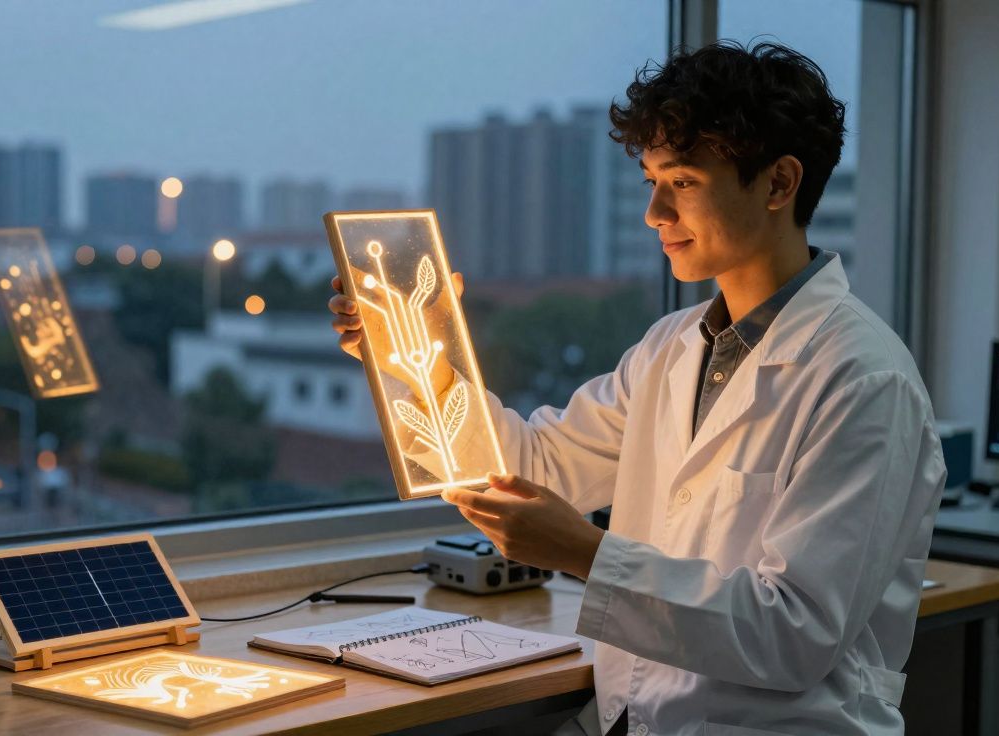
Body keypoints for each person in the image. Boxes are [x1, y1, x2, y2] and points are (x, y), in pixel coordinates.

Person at [329, 41, 945, 735]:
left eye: (681, 181)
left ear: (778, 184)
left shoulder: (863, 379)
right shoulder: (672, 348)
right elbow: (538, 467)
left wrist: (583, 553)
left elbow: (794, 634)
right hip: (640, 715)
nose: (654, 211)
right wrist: (422, 358)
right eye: (650, 179)